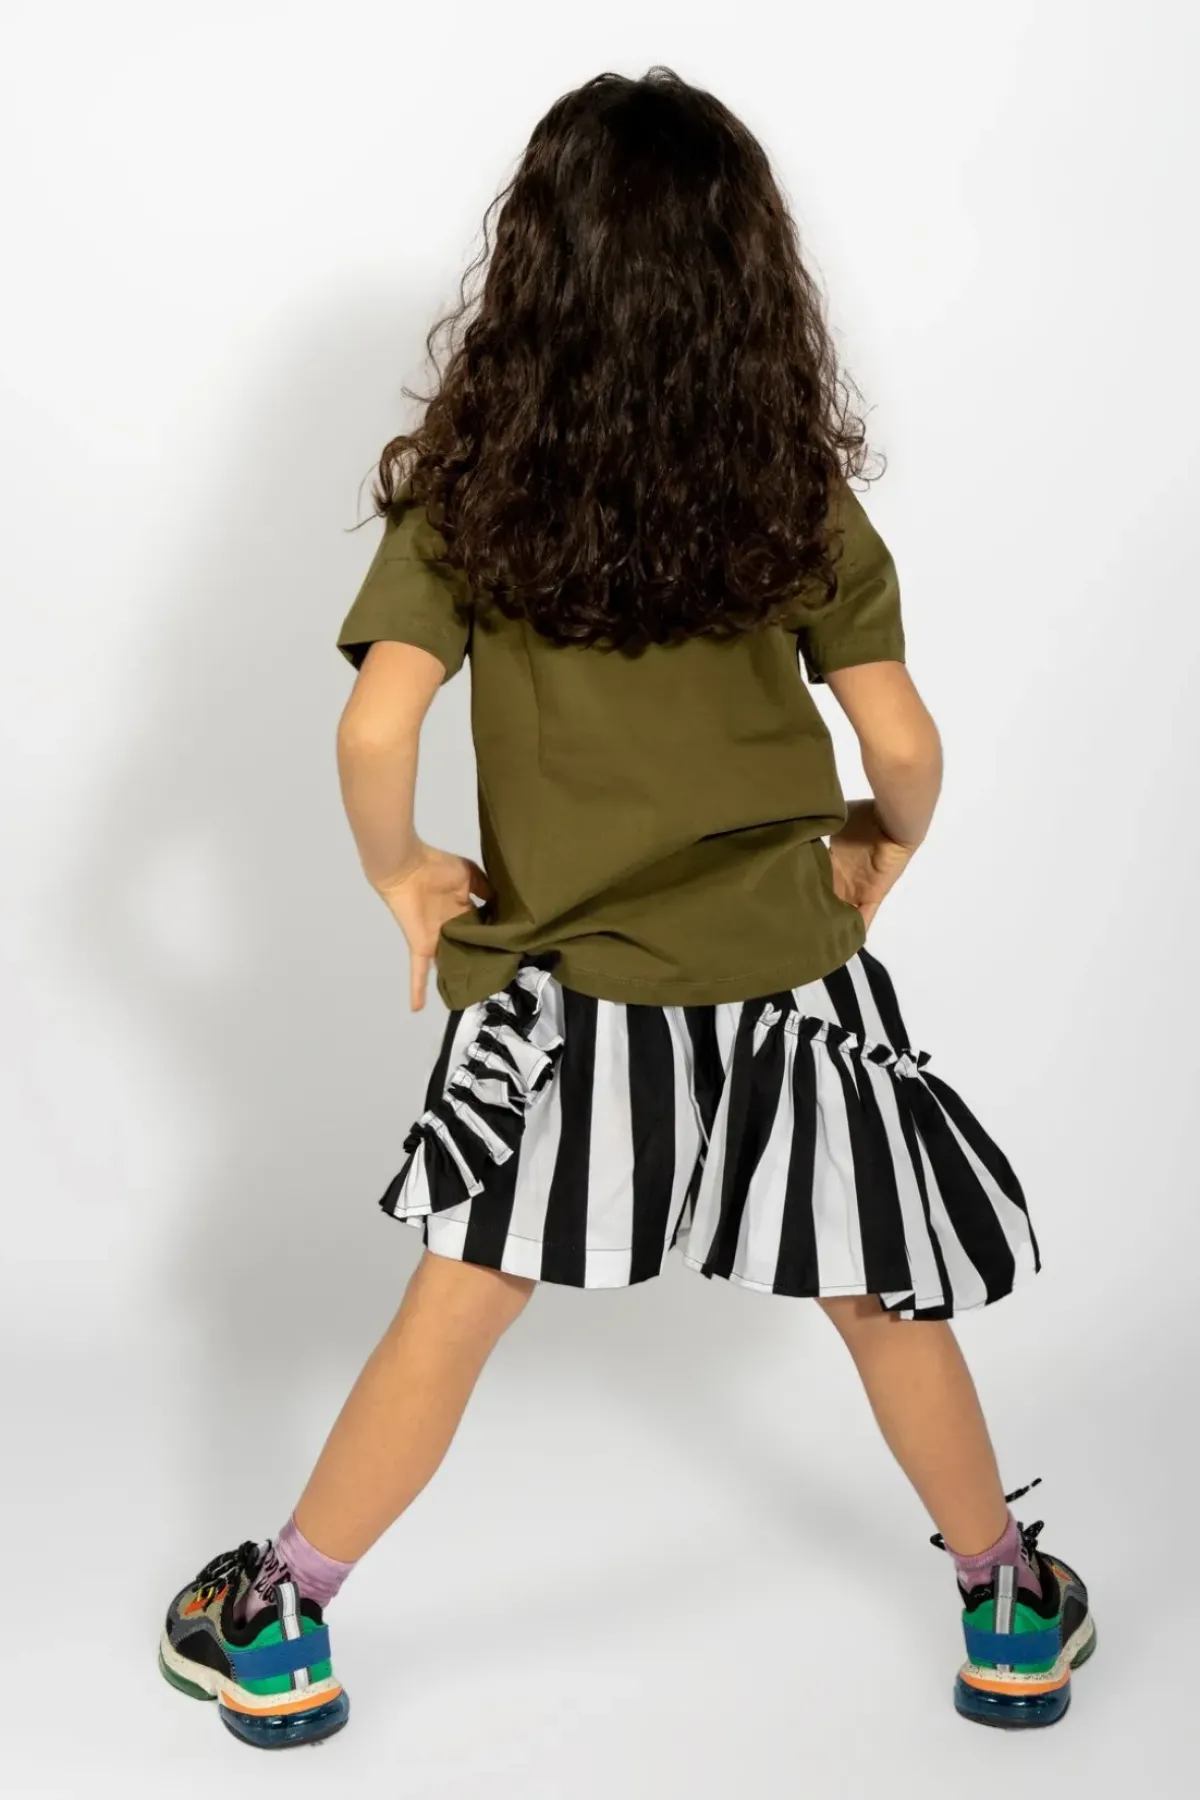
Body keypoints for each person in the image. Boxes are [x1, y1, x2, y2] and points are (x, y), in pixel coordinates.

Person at [158, 68, 1094, 1749]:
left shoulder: (469, 498)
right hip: (791, 987)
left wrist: (399, 872)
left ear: (532, 274)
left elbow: (374, 729)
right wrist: (883, 841)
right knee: (882, 1298)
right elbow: (901, 741)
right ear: (751, 286)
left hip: (568, 1001)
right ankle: (1007, 1600)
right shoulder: (792, 492)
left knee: (458, 1306)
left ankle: (285, 1619)